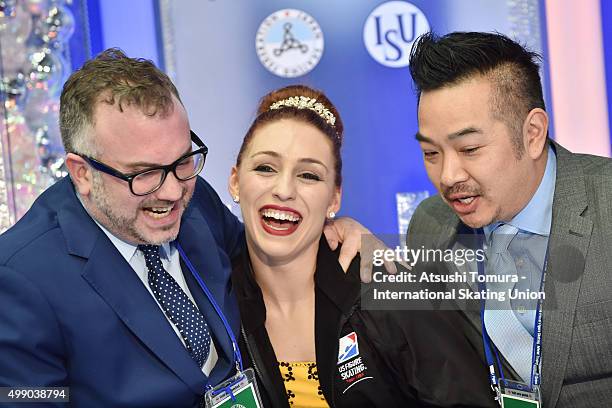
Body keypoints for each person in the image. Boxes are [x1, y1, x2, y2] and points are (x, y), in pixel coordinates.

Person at [0, 49, 365, 407]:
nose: (173, 192)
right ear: (83, 173)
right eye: (145, 174)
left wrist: (336, 229)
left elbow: (259, 263)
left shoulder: (193, 195)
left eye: (182, 161)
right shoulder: (20, 281)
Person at [229, 85, 496, 407]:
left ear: (334, 198)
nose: (284, 189)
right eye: (265, 168)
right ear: (234, 181)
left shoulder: (388, 292)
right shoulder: (214, 300)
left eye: (309, 175)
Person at [407, 31, 612, 407]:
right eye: (431, 152)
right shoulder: (429, 227)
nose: (448, 176)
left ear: (532, 134)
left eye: (469, 149)